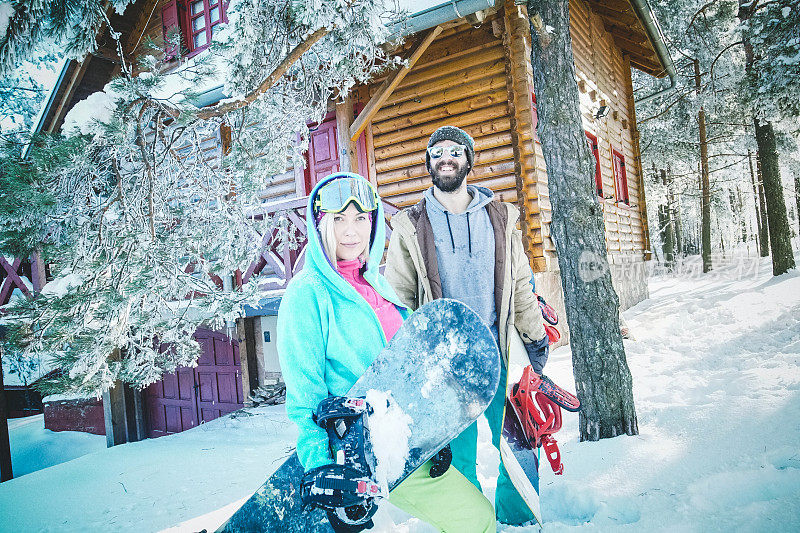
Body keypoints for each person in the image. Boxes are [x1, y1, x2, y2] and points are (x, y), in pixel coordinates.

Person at [277, 172, 496, 533]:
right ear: (320, 225)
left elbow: (406, 364)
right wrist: (323, 471)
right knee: (476, 522)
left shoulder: (378, 284)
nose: (352, 231)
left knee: (479, 519)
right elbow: (304, 401)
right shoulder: (306, 295)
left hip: (405, 441)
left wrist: (432, 433)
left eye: (361, 218)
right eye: (339, 219)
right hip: (358, 455)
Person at [385, 126, 550, 526]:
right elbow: (398, 302)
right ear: (429, 162)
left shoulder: (500, 216)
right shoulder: (412, 224)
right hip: (444, 367)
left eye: (456, 151)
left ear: (468, 160)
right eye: (437, 151)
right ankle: (470, 523)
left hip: (500, 354)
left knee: (521, 442)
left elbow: (520, 286)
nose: (446, 157)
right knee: (455, 458)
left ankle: (519, 519)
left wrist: (535, 336)